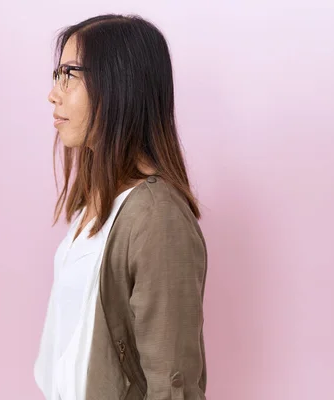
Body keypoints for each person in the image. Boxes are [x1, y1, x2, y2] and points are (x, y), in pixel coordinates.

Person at [34, 13, 208, 400]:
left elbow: (172, 383)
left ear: (118, 85)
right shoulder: (94, 201)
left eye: (70, 75)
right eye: (56, 75)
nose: (54, 93)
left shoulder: (156, 217)